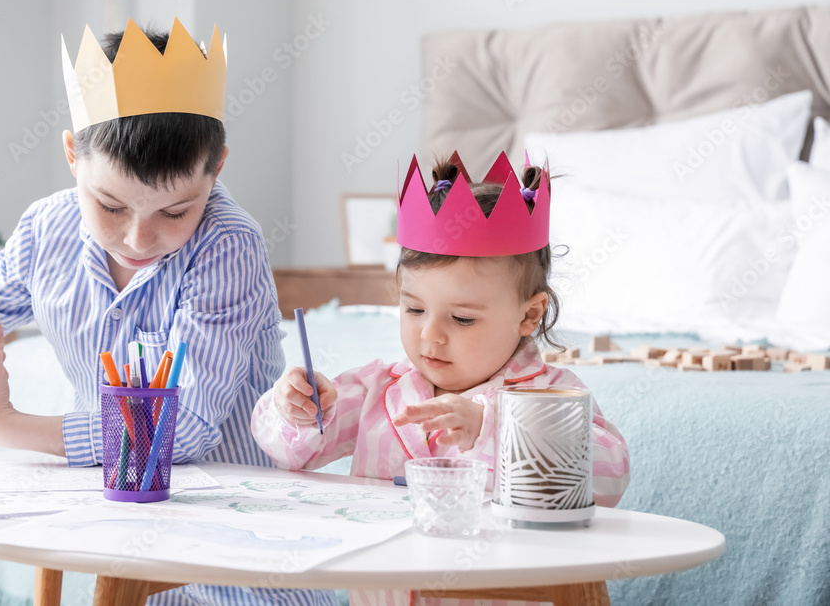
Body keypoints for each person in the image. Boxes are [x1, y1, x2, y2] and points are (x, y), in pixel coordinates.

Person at [0, 18, 335, 606]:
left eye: (176, 211)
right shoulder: (47, 226)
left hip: (242, 542)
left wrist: (4, 424)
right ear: (70, 157)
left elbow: (178, 429)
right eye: (109, 206)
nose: (138, 238)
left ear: (217, 170)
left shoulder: (229, 243)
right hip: (120, 525)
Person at [252, 152, 630, 606]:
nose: (430, 335)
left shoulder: (551, 396)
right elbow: (292, 455)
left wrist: (493, 428)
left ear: (529, 314)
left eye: (463, 318)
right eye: (413, 309)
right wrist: (295, 408)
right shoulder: (377, 389)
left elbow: (609, 477)